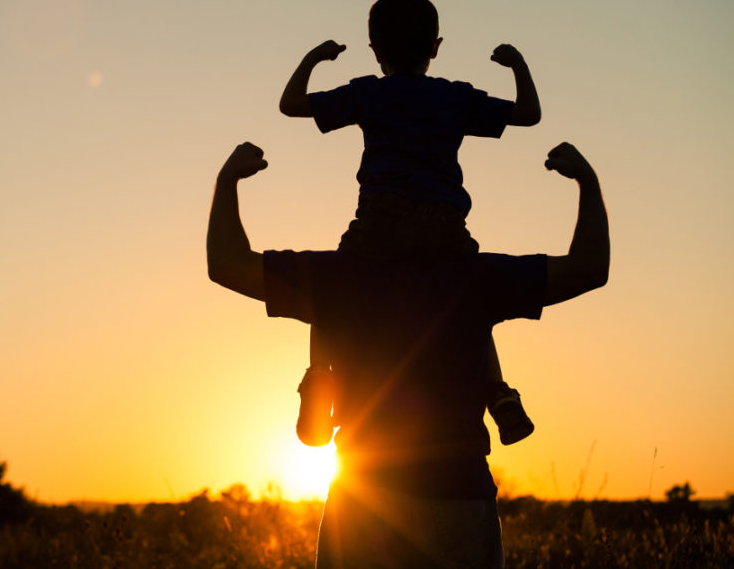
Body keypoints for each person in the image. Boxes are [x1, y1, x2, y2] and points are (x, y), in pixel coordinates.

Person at [206, 140, 608, 567]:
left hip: (364, 499)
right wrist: (588, 182)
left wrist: (228, 180)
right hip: (459, 494)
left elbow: (227, 264)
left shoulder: (336, 276)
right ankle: (499, 393)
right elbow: (588, 268)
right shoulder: (476, 276)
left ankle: (318, 381)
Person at [278, 0, 542, 447]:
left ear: (375, 47)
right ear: (436, 47)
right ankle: (497, 391)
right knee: (472, 306)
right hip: (443, 225)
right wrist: (518, 65)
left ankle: (321, 378)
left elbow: (292, 104)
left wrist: (315, 58)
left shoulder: (369, 92)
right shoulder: (454, 97)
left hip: (381, 219)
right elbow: (528, 114)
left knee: (326, 291)